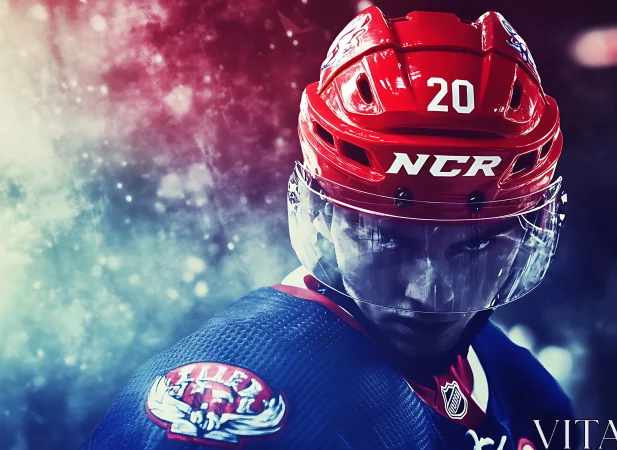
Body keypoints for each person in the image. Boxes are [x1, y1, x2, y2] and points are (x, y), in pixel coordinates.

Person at [83, 6, 574, 449]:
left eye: (475, 248)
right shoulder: (239, 400)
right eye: (389, 239)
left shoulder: (512, 379)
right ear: (322, 216)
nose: (431, 295)